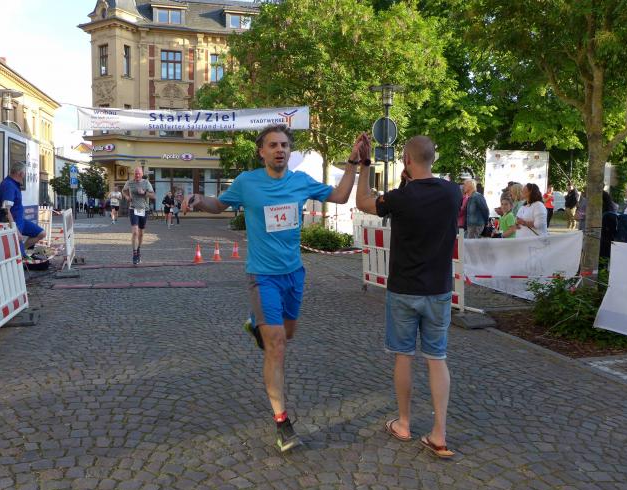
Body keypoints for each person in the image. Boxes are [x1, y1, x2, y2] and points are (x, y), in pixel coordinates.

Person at [182, 124, 368, 452]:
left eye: (284, 145)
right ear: (261, 151)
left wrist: (354, 163)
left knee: (287, 334)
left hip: (294, 274)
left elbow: (340, 196)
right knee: (277, 344)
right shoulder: (247, 182)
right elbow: (219, 205)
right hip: (262, 275)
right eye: (273, 145)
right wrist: (198, 200)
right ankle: (282, 422)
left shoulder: (300, 181)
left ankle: (256, 324)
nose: (280, 149)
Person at [355, 135, 461, 459]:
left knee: (404, 357)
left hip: (403, 288)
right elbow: (427, 198)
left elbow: (363, 202)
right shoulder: (453, 192)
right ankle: (439, 433)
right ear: (433, 158)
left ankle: (403, 423)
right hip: (438, 289)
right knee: (437, 358)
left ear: (406, 160)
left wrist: (365, 165)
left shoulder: (401, 197)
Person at [0, 161, 45, 257]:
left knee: (41, 233)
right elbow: (6, 210)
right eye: (24, 173)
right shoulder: (9, 185)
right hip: (13, 223)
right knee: (19, 258)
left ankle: (22, 250)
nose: (25, 176)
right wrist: (16, 230)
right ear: (21, 173)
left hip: (20, 221)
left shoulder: (14, 184)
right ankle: (20, 252)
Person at [122, 167, 156, 264]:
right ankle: (135, 254)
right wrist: (127, 196)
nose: (137, 175)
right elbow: (124, 191)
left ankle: (138, 249)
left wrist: (144, 193)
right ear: (134, 174)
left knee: (141, 234)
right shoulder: (129, 182)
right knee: (135, 232)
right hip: (133, 209)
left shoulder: (146, 183)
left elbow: (153, 196)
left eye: (138, 173)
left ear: (142, 174)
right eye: (135, 173)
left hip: (144, 210)